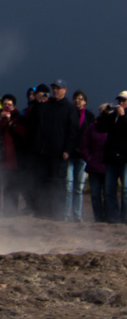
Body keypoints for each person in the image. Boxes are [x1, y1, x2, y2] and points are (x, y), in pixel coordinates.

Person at [31, 80, 80, 219]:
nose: (55, 91)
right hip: (43, 151)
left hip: (59, 152)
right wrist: (38, 103)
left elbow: (72, 131)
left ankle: (58, 212)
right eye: (54, 88)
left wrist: (67, 150)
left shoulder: (70, 108)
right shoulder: (45, 106)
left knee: (58, 183)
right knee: (42, 182)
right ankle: (43, 211)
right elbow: (34, 121)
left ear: (65, 90)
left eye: (58, 88)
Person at [66, 90, 91, 221]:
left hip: (82, 156)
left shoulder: (89, 116)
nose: (77, 101)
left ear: (85, 101)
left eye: (80, 99)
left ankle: (77, 215)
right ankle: (66, 214)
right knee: (68, 186)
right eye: (75, 98)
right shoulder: (69, 114)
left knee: (79, 188)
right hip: (69, 154)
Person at [85, 106, 112, 221]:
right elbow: (84, 145)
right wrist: (88, 158)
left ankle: (108, 216)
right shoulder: (92, 127)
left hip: (109, 166)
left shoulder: (114, 127)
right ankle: (98, 217)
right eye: (103, 112)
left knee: (108, 194)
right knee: (95, 194)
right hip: (94, 166)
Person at [104, 95, 127, 223]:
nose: (120, 103)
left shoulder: (123, 116)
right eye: (119, 100)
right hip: (111, 158)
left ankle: (125, 217)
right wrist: (105, 114)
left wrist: (123, 116)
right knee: (109, 190)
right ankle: (113, 217)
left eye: (123, 100)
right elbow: (101, 128)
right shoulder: (113, 116)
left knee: (126, 190)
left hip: (125, 159)